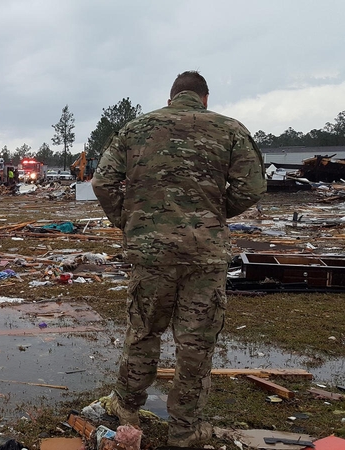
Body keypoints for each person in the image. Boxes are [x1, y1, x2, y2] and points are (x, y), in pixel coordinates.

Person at [91, 71, 266, 448]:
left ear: (171, 99)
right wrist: (214, 212)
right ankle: (185, 430)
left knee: (142, 332)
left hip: (151, 254)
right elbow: (253, 186)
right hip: (204, 255)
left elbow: (102, 182)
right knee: (195, 344)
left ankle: (126, 408)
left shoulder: (136, 129)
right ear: (204, 98)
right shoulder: (229, 129)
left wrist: (129, 221)